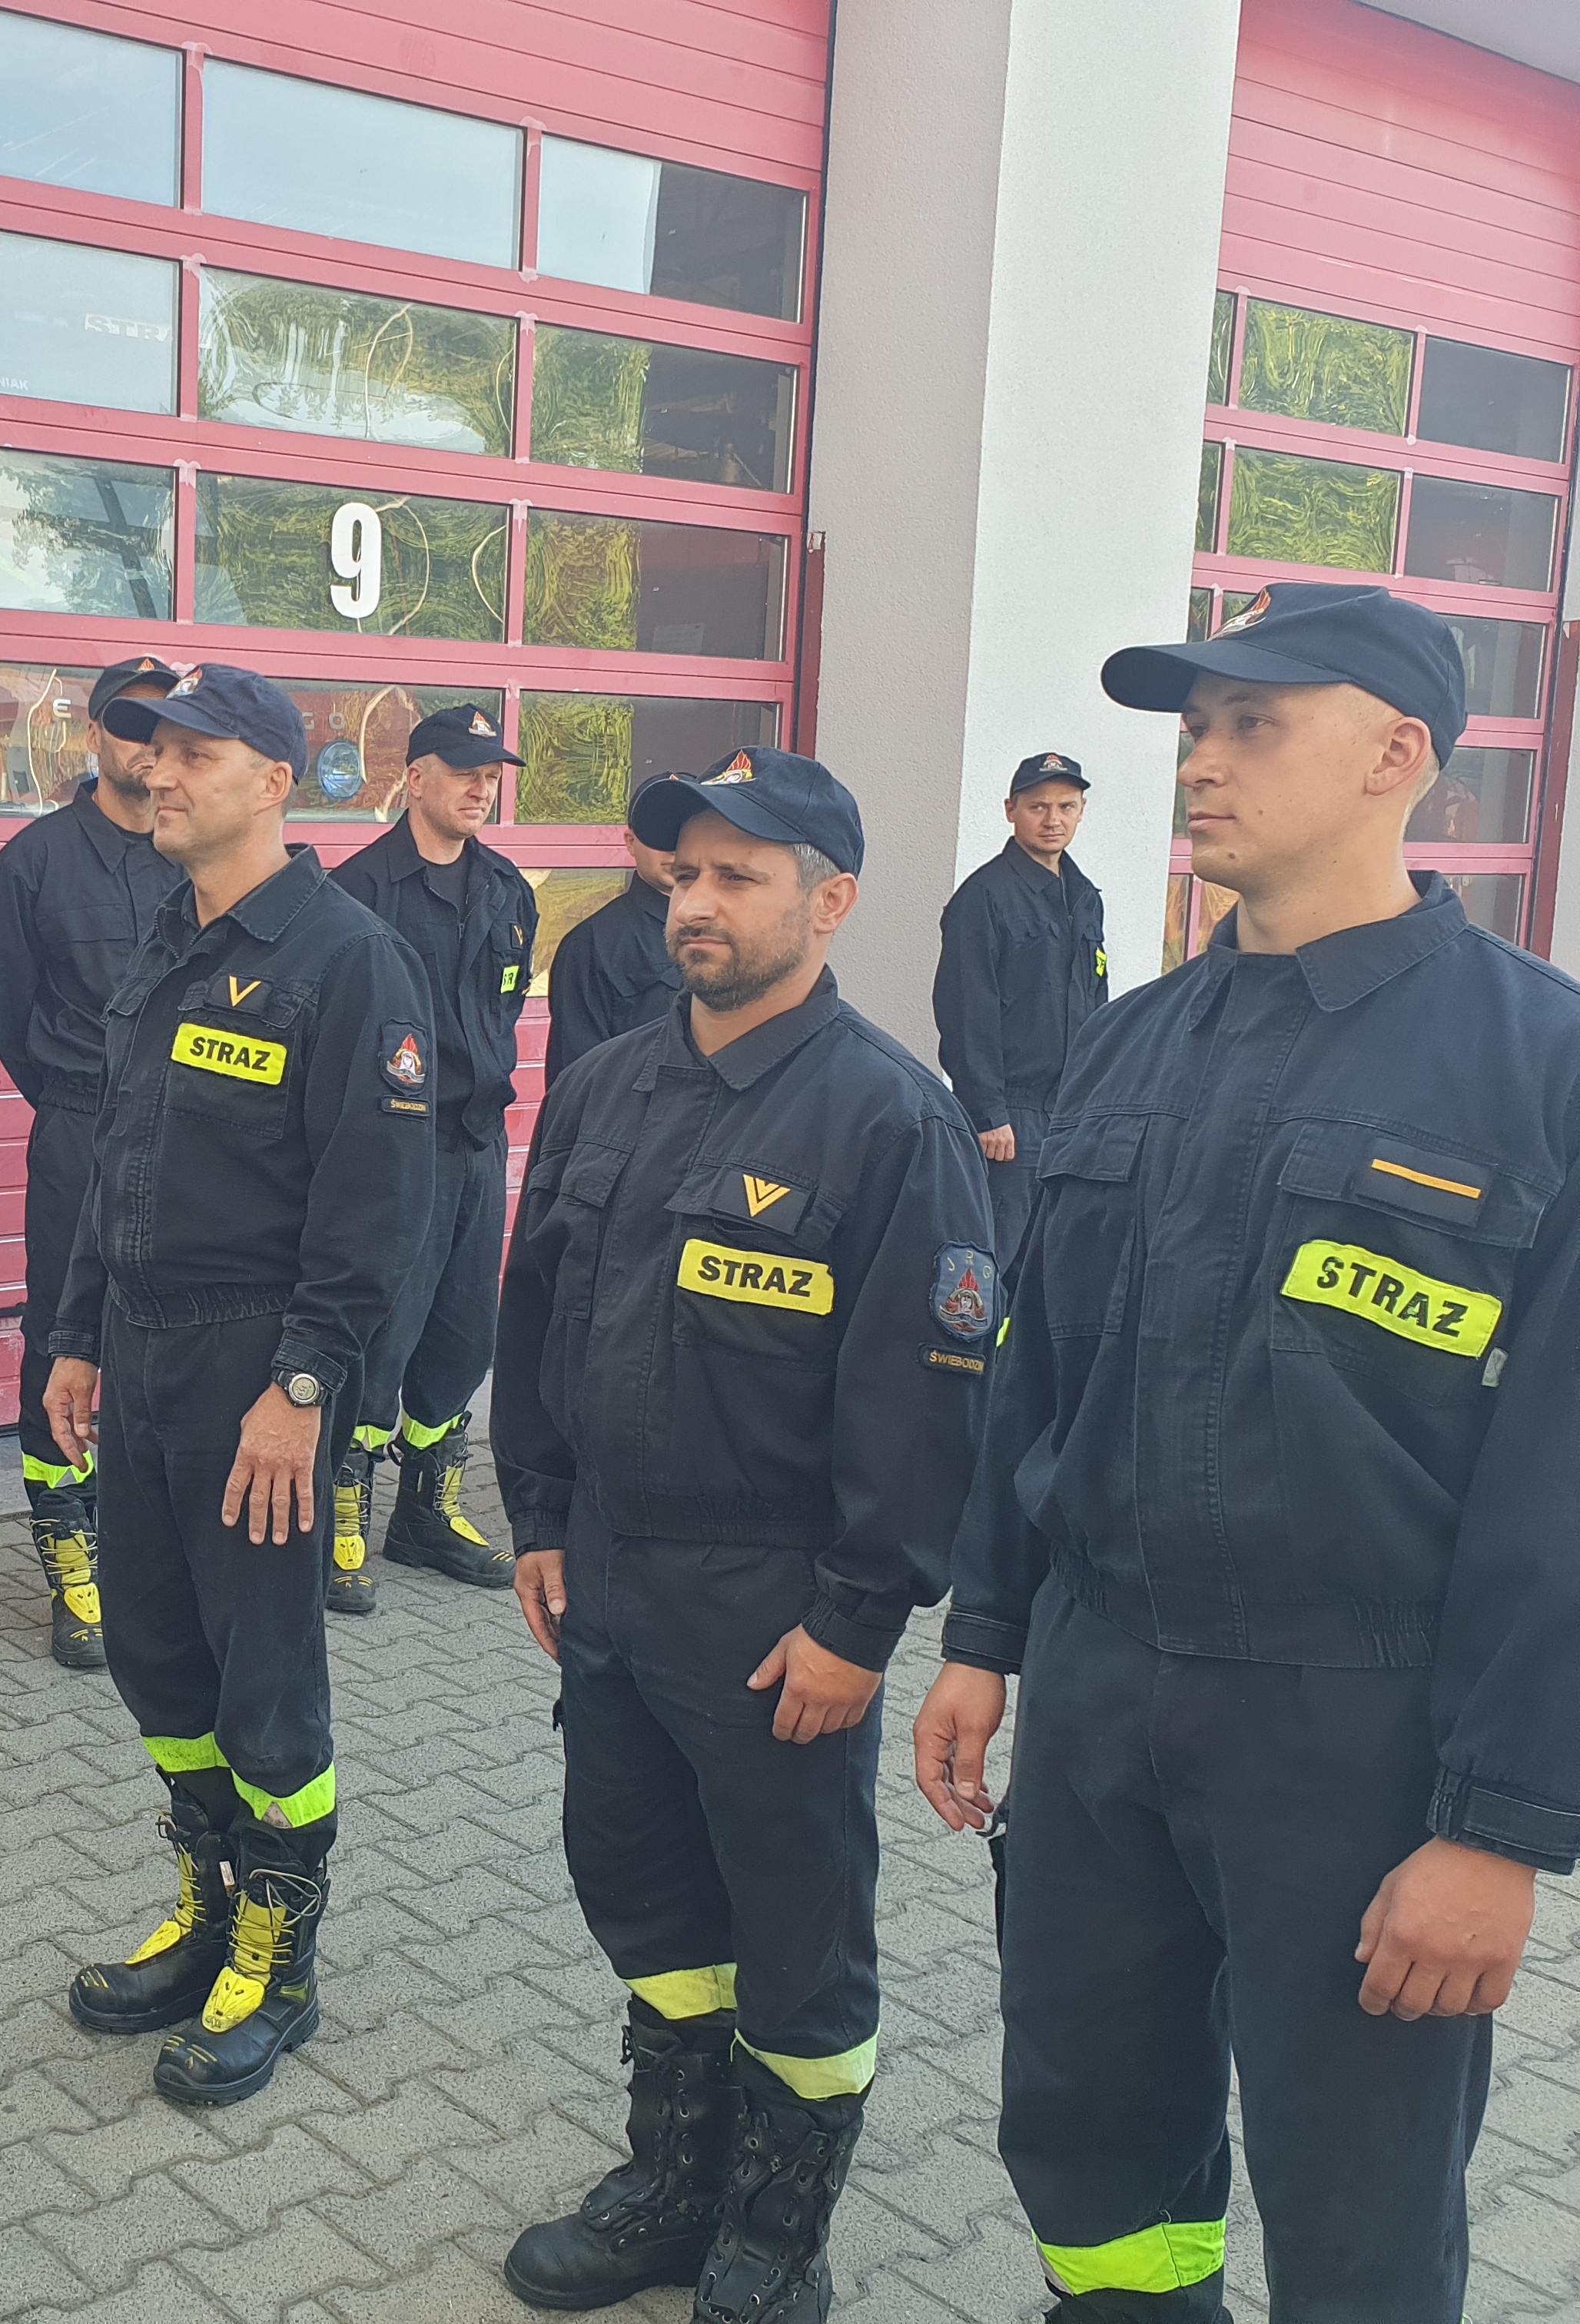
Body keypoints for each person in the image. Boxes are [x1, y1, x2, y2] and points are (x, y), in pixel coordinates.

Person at [912, 583, 1580, 2323]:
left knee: (1357, 2209)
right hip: (1098, 1694)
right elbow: (1034, 1374)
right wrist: (985, 1634)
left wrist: (1497, 1829)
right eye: (1194, 726)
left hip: (1351, 1731)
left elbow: (1562, 1483)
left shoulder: (1540, 1065)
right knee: (1088, 2141)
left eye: (1253, 723)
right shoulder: (1130, 1041)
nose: (1198, 762)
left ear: (1394, 754)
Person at [490, 751, 994, 2321]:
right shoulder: (603, 1086)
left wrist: (858, 1620)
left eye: (737, 876)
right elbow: (537, 1314)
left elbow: (927, 1400)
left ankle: (778, 2228)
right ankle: (674, 2181)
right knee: (639, 1886)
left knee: (794, 1927)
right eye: (682, 873)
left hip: (775, 1606)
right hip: (611, 1578)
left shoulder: (890, 1119)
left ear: (829, 902)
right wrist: (539, 1515)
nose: (693, 902)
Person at [41, 662, 433, 2106]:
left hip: (255, 1367)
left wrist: (305, 1386)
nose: (161, 772)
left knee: (265, 1677)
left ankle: (280, 1956)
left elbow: (379, 1205)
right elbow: (116, 1159)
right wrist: (78, 1332)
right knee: (157, 1654)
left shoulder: (348, 960)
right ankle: (209, 1907)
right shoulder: (168, 940)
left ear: (275, 780)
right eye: (155, 750)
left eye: (196, 754)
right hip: (143, 1350)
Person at [0, 653, 182, 1669]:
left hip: (190, 1139)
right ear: (94, 733)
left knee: (167, 1337)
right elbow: (6, 1008)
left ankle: (144, 1553)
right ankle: (71, 1562)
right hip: (79, 1130)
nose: (149, 746)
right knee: (63, 1336)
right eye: (130, 724)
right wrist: (75, 1102)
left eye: (167, 729)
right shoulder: (35, 861)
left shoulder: (198, 854)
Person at [324, 703, 537, 1611]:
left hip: (476, 1144)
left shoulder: (507, 889)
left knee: (462, 1333)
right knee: (380, 1329)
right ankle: (340, 1515)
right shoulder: (356, 891)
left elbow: (502, 1011)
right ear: (414, 779)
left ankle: (425, 1514)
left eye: (491, 775)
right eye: (464, 772)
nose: (481, 789)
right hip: (391, 1150)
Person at [931, 751, 1108, 1258]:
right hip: (1011, 1120)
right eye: (1038, 807)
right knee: (992, 1261)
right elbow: (967, 1012)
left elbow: (1097, 1004)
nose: (1053, 820)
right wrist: (988, 1112)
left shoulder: (1084, 897)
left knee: (1050, 1262)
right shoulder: (984, 897)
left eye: (1066, 807)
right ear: (1011, 810)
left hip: (1070, 1113)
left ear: (1081, 811)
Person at [543, 804, 683, 1087]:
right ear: (631, 842)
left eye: (685, 835)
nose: (673, 849)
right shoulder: (592, 943)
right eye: (659, 833)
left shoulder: (741, 930)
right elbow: (576, 1077)